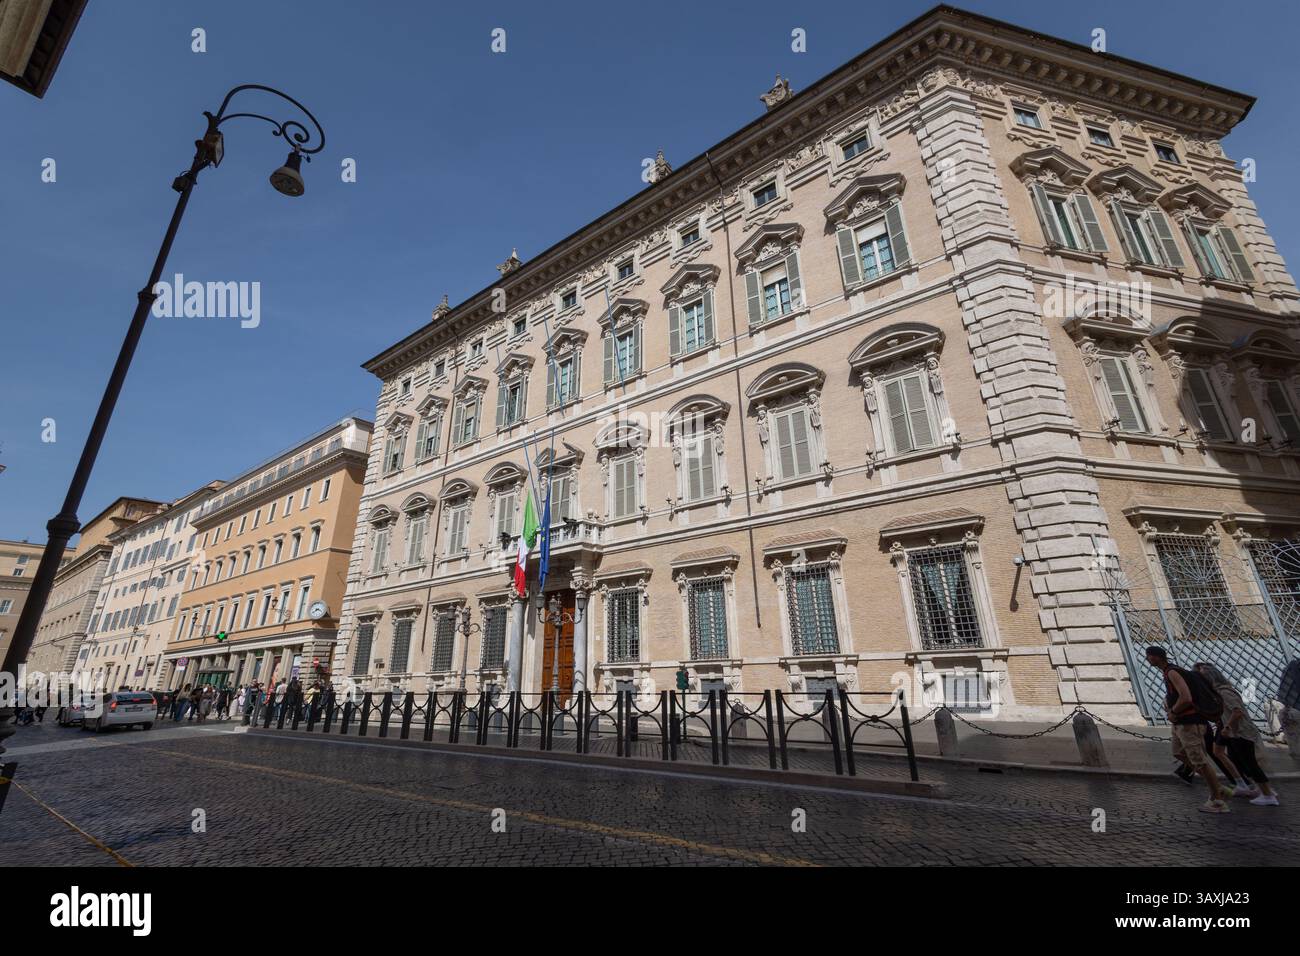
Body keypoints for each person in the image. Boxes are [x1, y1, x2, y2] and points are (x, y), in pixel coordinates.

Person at [1145, 646, 1230, 813]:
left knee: (1200, 761)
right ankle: (1217, 786)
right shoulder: (1169, 672)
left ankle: (1218, 801)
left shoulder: (1172, 672)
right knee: (1178, 752)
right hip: (1180, 723)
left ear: (1156, 657)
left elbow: (1186, 697)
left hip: (1189, 723)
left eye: (1149, 656)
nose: (1147, 659)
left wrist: (1173, 712)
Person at [1196, 662, 1280, 807]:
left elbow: (1237, 711)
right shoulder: (1221, 692)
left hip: (1242, 732)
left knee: (1250, 764)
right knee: (1244, 762)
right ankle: (1264, 791)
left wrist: (1227, 727)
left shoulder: (1225, 692)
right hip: (1236, 733)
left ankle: (1268, 794)